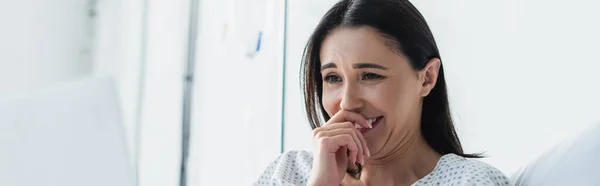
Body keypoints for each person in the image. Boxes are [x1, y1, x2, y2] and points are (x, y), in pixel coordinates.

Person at [255, 0, 511, 185]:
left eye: (370, 75)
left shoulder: (470, 182)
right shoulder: (288, 173)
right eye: (333, 78)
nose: (347, 102)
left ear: (427, 78)